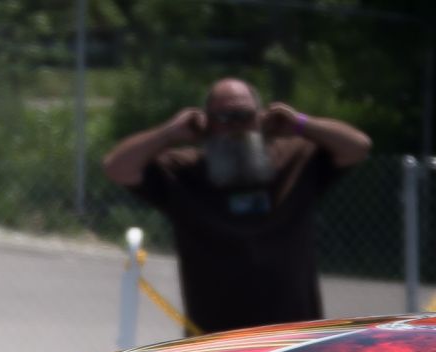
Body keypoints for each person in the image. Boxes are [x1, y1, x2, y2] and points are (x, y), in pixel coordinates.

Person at [102, 79, 371, 336]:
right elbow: (117, 167)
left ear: (261, 117)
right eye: (224, 117)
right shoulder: (184, 171)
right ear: (206, 123)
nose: (236, 126)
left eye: (244, 115)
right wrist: (169, 133)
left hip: (293, 338)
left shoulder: (295, 159)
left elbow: (357, 147)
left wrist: (300, 124)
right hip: (215, 341)